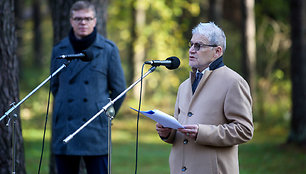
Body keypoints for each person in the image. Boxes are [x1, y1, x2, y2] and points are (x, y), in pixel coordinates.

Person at [156, 22, 254, 174]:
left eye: (198, 46)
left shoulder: (234, 82)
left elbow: (244, 130)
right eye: (191, 45)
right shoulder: (184, 86)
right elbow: (179, 127)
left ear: (217, 51)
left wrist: (202, 133)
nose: (191, 50)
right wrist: (168, 132)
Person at [50, 1, 126, 173]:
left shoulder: (108, 49)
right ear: (71, 21)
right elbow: (55, 86)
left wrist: (105, 114)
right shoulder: (59, 50)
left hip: (95, 127)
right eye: (78, 19)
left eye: (87, 18)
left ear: (95, 21)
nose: (82, 22)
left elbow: (119, 89)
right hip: (65, 126)